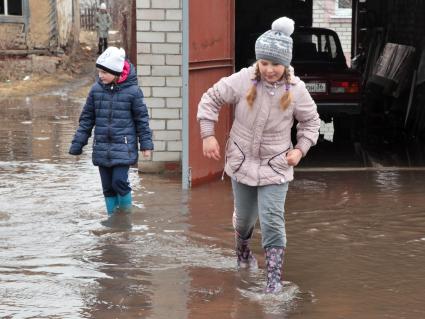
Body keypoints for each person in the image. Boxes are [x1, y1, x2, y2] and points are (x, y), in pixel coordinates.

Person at [197, 17, 321, 293]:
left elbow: (312, 122)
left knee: (272, 219)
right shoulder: (243, 79)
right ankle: (243, 250)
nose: (269, 69)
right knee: (244, 220)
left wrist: (300, 149)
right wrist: (208, 134)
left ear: (285, 64)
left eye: (276, 64)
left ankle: (273, 281)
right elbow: (211, 98)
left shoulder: (297, 90)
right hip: (241, 161)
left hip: (276, 166)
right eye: (264, 63)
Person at [69, 46, 153, 216]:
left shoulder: (133, 92)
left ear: (116, 72)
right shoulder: (95, 90)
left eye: (104, 72)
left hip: (123, 147)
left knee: (119, 182)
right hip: (101, 148)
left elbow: (141, 120)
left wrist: (146, 144)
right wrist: (78, 144)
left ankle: (126, 216)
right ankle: (113, 220)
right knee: (107, 187)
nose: (100, 76)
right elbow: (86, 120)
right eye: (99, 72)